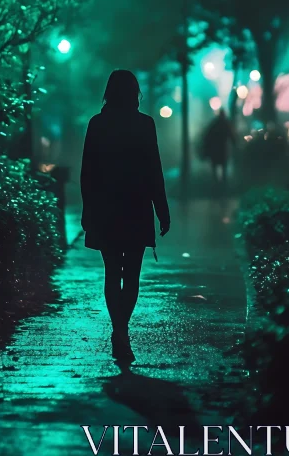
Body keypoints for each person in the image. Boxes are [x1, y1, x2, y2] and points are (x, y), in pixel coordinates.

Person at [80, 69, 170, 362]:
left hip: (105, 208)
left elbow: (87, 173)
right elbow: (154, 170)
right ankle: (121, 331)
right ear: (135, 93)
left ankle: (119, 331)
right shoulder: (145, 124)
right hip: (136, 207)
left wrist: (87, 210)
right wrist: (162, 210)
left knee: (111, 273)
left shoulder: (97, 124)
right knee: (131, 275)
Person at [201, 108, 236, 188]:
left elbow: (207, 135)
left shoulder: (215, 123)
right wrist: (235, 143)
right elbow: (231, 135)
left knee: (215, 167)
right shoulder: (226, 123)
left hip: (215, 149)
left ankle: (216, 184)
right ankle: (223, 184)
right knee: (223, 167)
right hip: (223, 149)